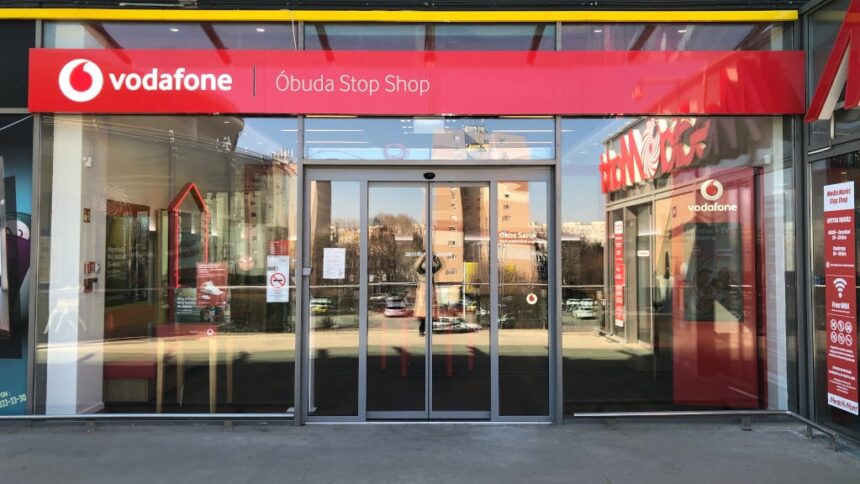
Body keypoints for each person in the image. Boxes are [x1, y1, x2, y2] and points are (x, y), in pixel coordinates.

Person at [413, 252, 443, 336]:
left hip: (431, 289)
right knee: (423, 312)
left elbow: (439, 265)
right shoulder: (421, 269)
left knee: (431, 311)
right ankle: (421, 330)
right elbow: (416, 266)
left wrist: (435, 257)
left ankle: (430, 329)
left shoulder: (432, 268)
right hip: (423, 289)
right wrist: (423, 257)